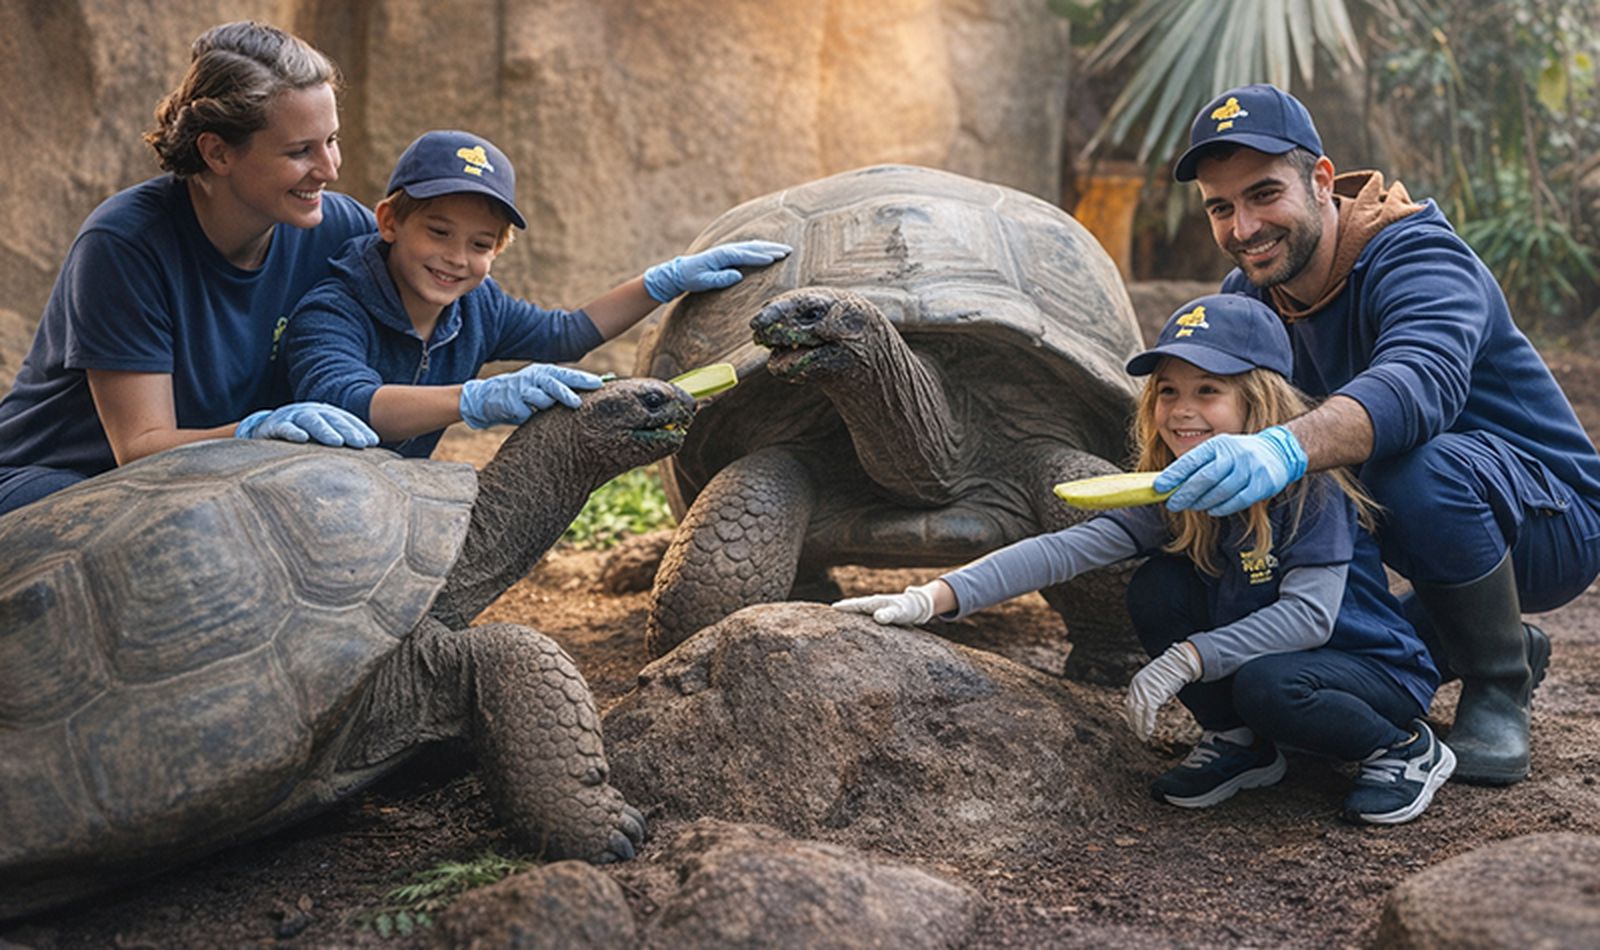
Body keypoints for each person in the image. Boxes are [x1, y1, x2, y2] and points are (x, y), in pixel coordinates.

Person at [834, 294, 1452, 826]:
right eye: (1168, 392)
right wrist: (931, 597)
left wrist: (1187, 660)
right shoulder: (1179, 491)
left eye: (1208, 391)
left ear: (1260, 401)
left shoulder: (1309, 488)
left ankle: (1403, 747)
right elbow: (1063, 549)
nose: (1182, 410)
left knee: (1273, 685)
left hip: (1367, 670)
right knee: (1156, 586)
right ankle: (1241, 744)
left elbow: (1310, 620)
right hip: (1274, 668)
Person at [1149, 83, 1600, 786]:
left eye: (1264, 195)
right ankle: (1456, 639)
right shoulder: (1249, 299)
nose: (1243, 227)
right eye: (1221, 207)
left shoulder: (1420, 256)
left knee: (1402, 463)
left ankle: (1497, 679)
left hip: (1547, 522)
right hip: (1400, 529)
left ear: (1322, 181)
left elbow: (1419, 385)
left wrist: (1282, 447)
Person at [0, 21, 380, 517]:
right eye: (299, 151)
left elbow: (451, 294)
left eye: (331, 140)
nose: (329, 168)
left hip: (205, 489)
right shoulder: (124, 244)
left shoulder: (338, 227)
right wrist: (252, 431)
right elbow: (138, 448)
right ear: (217, 152)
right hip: (61, 490)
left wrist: (492, 388)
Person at [282, 129, 790, 457]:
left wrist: (663, 281)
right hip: (299, 500)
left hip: (394, 499)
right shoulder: (335, 306)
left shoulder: (477, 305)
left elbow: (565, 335)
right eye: (438, 232)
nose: (457, 257)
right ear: (389, 221)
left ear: (499, 249)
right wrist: (477, 399)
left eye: (480, 244)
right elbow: (349, 402)